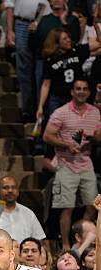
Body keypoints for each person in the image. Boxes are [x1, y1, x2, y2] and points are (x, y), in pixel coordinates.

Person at [43, 78, 100, 250]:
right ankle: (67, 246)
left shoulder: (95, 112)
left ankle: (83, 238)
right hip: (66, 164)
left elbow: (99, 136)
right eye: (78, 89)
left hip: (86, 162)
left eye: (84, 89)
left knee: (93, 205)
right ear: (72, 92)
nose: (81, 91)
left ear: (88, 92)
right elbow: (47, 136)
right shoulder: (61, 112)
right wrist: (67, 145)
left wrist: (92, 138)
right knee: (66, 207)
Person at [0, 175, 46, 244]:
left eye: (13, 187)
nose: (10, 190)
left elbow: (38, 239)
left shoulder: (28, 214)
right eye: (5, 188)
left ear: (18, 192)